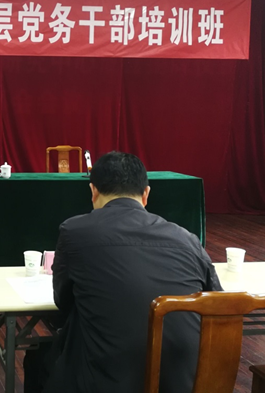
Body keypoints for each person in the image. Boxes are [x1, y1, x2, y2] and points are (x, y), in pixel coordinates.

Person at [26, 151, 222, 392]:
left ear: (93, 191)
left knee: (38, 357)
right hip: (184, 382)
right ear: (146, 194)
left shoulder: (74, 232)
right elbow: (218, 304)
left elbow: (63, 302)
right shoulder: (187, 239)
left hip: (104, 381)